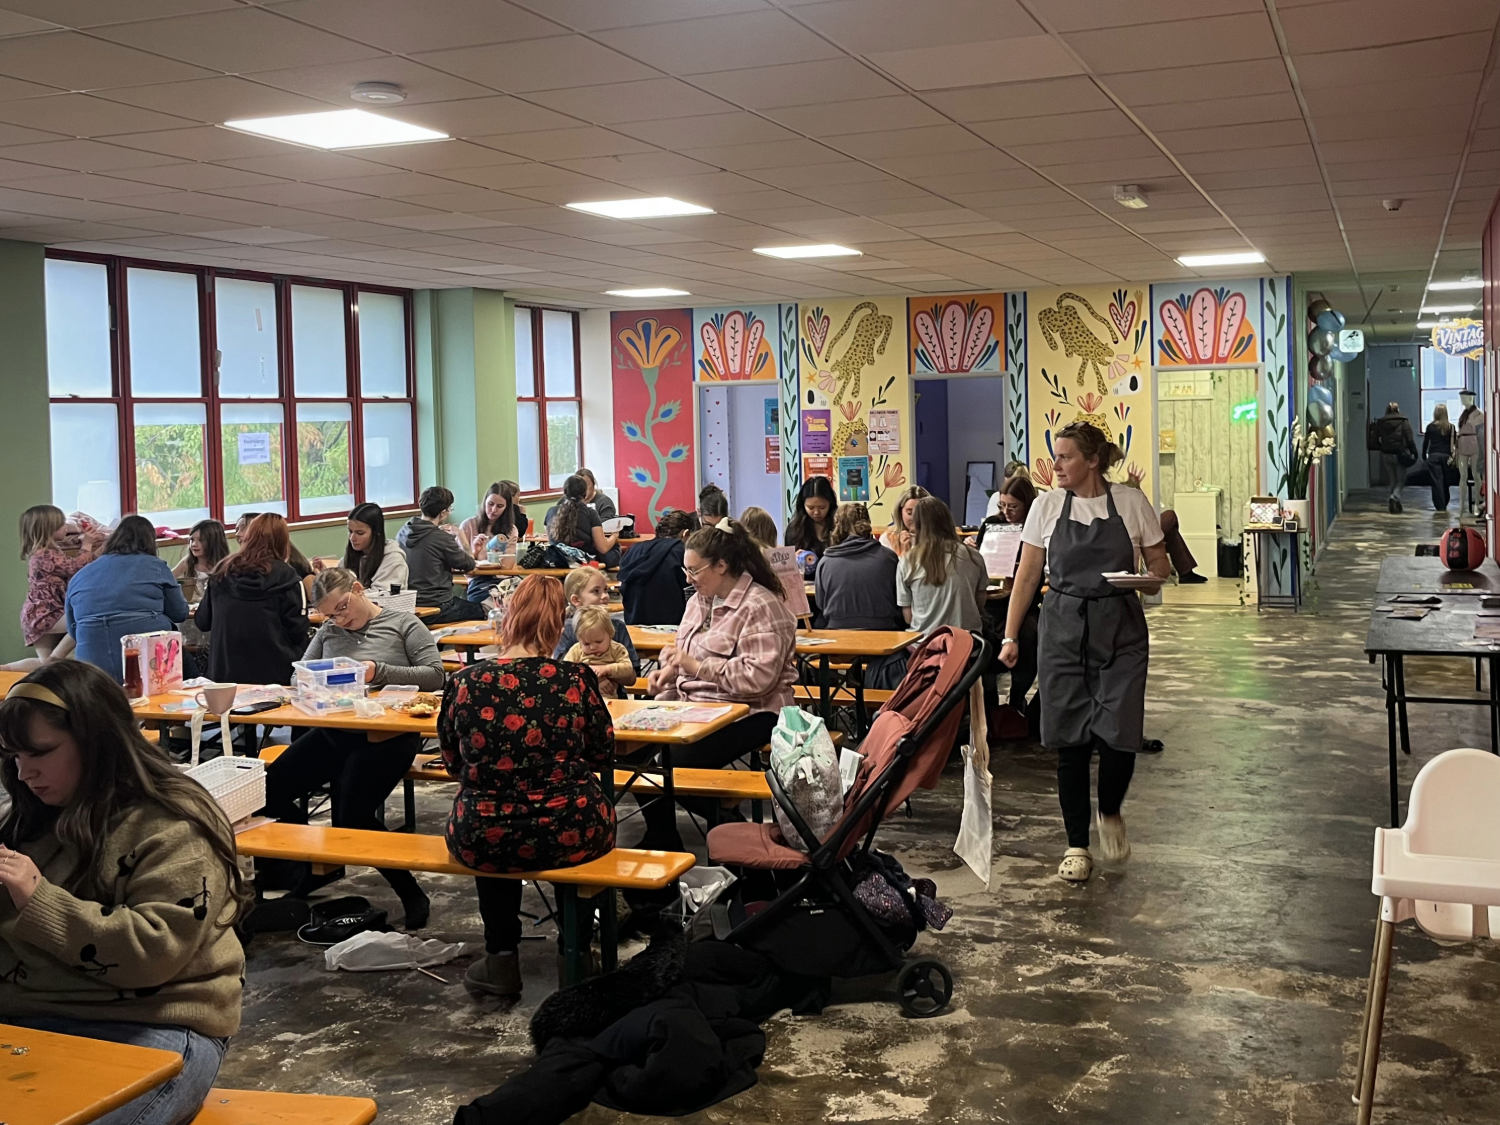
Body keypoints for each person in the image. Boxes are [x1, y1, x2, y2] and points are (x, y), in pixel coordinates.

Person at [0, 662, 249, 1125]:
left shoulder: (174, 821)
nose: (24, 771)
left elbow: (153, 954)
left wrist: (37, 898)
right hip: (29, 1016)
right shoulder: (30, 814)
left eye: (41, 752)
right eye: (13, 756)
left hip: (155, 1023)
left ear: (97, 743)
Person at [1000, 422, 1169, 884]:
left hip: (1121, 626)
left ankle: (1110, 810)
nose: (1055, 465)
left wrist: (1148, 579)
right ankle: (1076, 844)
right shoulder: (1047, 507)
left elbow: (1159, 564)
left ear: (1092, 460)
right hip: (1063, 626)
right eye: (1055, 456)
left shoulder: (1132, 503)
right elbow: (1028, 574)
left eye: (1066, 457)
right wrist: (1011, 636)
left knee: (1122, 731)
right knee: (1069, 739)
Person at [439, 575, 616, 998]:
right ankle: (573, 951)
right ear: (559, 626)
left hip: (484, 830)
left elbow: (452, 763)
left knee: (493, 823)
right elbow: (601, 753)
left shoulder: (466, 682)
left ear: (509, 619)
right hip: (570, 822)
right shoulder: (575, 679)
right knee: (578, 825)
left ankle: (500, 958)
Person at [262, 569, 444, 927]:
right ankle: (317, 862)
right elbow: (299, 676)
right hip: (338, 729)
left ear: (359, 590)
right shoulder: (330, 631)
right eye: (330, 615)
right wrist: (321, 680)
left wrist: (379, 671)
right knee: (270, 790)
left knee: (352, 815)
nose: (340, 619)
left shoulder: (403, 623)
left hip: (389, 734)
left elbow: (436, 675)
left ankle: (410, 891)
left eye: (343, 609)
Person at [643, 522, 797, 851]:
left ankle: (736, 833)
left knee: (675, 766)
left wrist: (695, 667)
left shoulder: (761, 606)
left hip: (756, 713)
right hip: (701, 708)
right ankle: (666, 840)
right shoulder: (700, 600)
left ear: (721, 566)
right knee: (635, 761)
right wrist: (667, 674)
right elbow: (683, 653)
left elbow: (758, 680)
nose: (688, 578)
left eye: (694, 570)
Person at [64, 516, 189, 685]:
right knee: (190, 670)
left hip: (91, 663)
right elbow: (179, 612)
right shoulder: (155, 566)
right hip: (147, 658)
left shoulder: (80, 576)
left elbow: (73, 630)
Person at [195, 514, 308, 688]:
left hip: (224, 673)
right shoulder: (288, 576)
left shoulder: (222, 571)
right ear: (283, 541)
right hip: (275, 675)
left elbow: (203, 621)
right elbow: (297, 631)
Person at [979, 475, 1039, 741]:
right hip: (991, 603)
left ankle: (1017, 697)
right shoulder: (992, 525)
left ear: (1027, 505)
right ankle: (990, 702)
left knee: (1029, 634)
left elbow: (1037, 579)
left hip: (1024, 606)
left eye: (1013, 507)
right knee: (981, 636)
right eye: (1002, 505)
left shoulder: (1033, 530)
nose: (1006, 512)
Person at [14, 505, 105, 669]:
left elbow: (83, 563)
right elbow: (76, 567)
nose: (67, 527)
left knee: (44, 665)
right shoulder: (44, 555)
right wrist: (87, 543)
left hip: (38, 614)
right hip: (46, 614)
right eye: (62, 524)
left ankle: (4, 670)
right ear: (49, 529)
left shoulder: (46, 552)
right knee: (83, 620)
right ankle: (57, 656)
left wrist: (99, 547)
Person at [897, 497, 990, 636]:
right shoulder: (973, 556)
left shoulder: (907, 561)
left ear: (916, 525)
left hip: (924, 647)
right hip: (967, 645)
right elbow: (979, 602)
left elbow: (909, 618)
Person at [398, 486, 486, 624]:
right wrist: (460, 536)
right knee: (484, 611)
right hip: (438, 605)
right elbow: (469, 565)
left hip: (408, 604)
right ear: (443, 512)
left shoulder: (403, 531)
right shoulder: (440, 537)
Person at [815, 503, 901, 630]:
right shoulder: (889, 557)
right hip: (883, 630)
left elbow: (821, 603)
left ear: (837, 526)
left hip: (838, 632)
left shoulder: (825, 561)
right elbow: (898, 599)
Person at [553, 567, 640, 675]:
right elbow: (560, 671)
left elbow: (634, 672)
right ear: (576, 600)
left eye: (605, 590)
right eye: (596, 591)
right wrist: (595, 679)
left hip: (614, 689)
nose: (605, 596)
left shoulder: (617, 626)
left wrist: (611, 677)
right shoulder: (566, 630)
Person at [617, 508, 693, 625]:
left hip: (633, 625)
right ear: (686, 534)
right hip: (672, 626)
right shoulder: (681, 551)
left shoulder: (634, 550)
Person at [562, 605, 635, 699]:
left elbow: (628, 670)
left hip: (609, 702)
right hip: (583, 699)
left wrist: (607, 669)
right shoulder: (576, 650)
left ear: (610, 634)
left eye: (598, 641)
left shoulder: (616, 649)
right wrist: (594, 679)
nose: (592, 647)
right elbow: (565, 672)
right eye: (586, 644)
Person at [550, 474, 620, 566]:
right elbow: (603, 548)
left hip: (559, 561)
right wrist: (615, 536)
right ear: (585, 493)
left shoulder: (551, 512)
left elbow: (550, 540)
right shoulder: (591, 513)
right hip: (584, 562)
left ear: (565, 492)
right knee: (615, 548)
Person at [340, 502, 408, 592]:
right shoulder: (352, 555)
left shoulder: (393, 560)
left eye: (360, 533)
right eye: (350, 531)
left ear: (376, 533)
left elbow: (381, 597)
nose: (352, 538)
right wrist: (326, 575)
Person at [1369, 402, 1417, 514]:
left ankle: (1394, 505)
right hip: (1400, 454)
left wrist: (1381, 448)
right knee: (1401, 480)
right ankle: (1394, 497)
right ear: (1398, 410)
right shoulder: (1403, 421)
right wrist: (1414, 452)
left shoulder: (1380, 423)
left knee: (1392, 480)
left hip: (1386, 454)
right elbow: (1409, 439)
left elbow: (1374, 439)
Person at [460, 481, 528, 559]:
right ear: (484, 502)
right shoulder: (468, 525)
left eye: (500, 506)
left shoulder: (511, 530)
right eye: (490, 504)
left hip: (499, 571)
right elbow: (460, 563)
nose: (493, 510)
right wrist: (475, 552)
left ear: (506, 508)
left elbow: (507, 563)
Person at [171, 519, 230, 594]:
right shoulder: (187, 562)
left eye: (201, 540)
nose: (193, 544)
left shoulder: (227, 565)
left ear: (214, 542)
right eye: (192, 539)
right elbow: (167, 578)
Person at [785, 476, 837, 558]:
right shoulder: (795, 529)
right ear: (803, 505)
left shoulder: (840, 525)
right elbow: (787, 564)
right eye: (810, 508)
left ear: (830, 503)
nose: (816, 512)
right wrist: (792, 559)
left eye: (822, 507)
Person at [1457, 390, 1486, 517]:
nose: (1462, 400)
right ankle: (1461, 507)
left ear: (1471, 398)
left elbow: (1481, 432)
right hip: (1463, 443)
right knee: (1462, 476)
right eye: (1461, 397)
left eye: (1464, 397)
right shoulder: (1464, 414)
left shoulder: (1479, 414)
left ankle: (1477, 504)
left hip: (1474, 444)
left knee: (1476, 475)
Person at [1423, 403, 1456, 511]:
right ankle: (1445, 501)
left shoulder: (1430, 427)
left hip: (1433, 455)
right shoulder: (1451, 427)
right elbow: (1454, 443)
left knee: (1436, 481)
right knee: (1446, 481)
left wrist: (1424, 455)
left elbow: (1426, 442)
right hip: (1446, 456)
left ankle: (1439, 505)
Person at [880, 485, 929, 556]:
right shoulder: (888, 538)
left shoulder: (938, 537)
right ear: (900, 512)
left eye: (920, 513)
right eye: (909, 513)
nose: (914, 517)